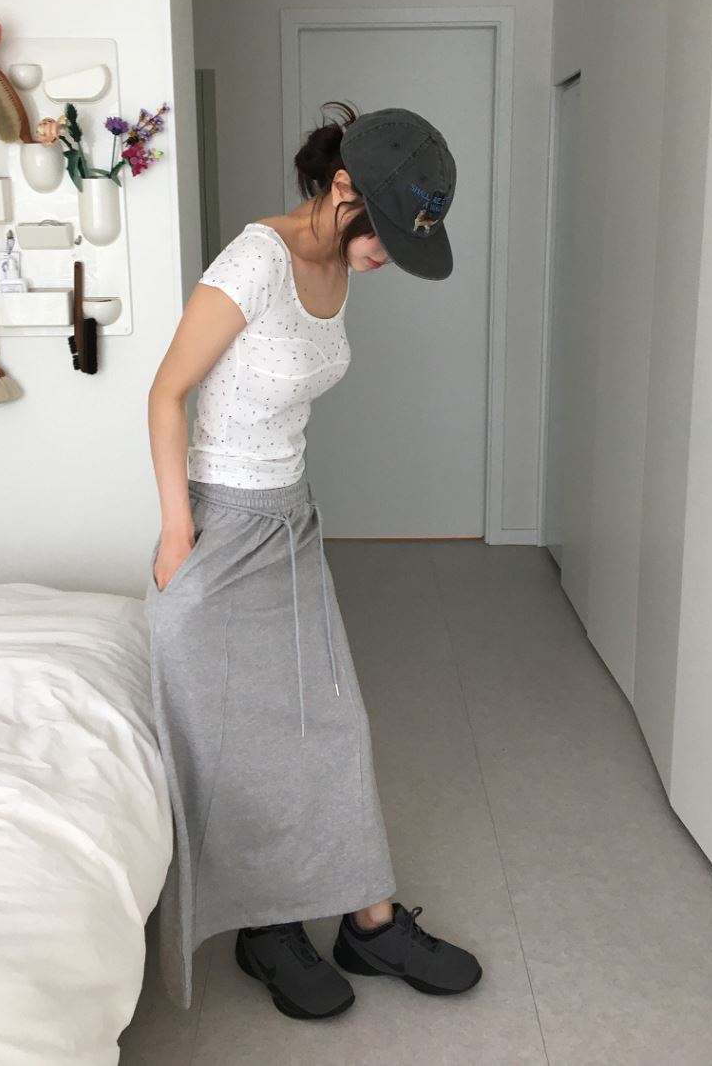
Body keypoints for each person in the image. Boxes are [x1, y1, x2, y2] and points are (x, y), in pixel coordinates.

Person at [145, 101, 482, 1020]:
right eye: (385, 236)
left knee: (331, 725)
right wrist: (177, 537)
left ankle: (367, 922)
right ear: (342, 189)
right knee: (245, 744)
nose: (389, 259)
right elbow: (167, 394)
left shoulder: (339, 260)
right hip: (220, 529)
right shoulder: (254, 262)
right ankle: (268, 929)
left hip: (291, 521)